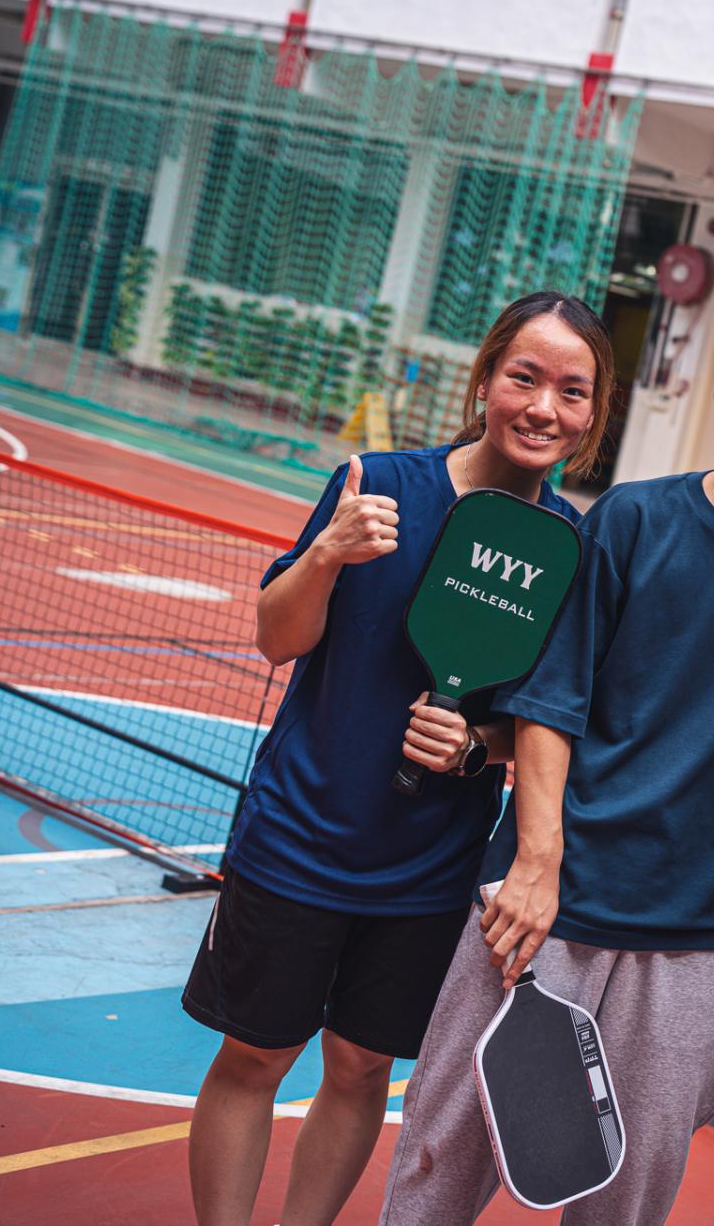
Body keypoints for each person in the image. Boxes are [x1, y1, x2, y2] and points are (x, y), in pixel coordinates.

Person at [380, 283, 714, 1226]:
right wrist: (536, 864)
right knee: (443, 1156)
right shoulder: (632, 521)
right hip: (546, 901)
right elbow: (550, 703)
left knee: (629, 1194)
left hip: (693, 926)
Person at [182, 291, 615, 1226]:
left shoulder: (569, 548)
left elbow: (541, 722)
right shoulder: (375, 484)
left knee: (361, 1065)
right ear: (485, 380)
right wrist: (327, 555)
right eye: (525, 378)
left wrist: (473, 746)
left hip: (427, 869)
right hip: (298, 837)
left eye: (572, 391)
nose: (544, 407)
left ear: (593, 412)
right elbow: (275, 639)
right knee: (255, 1055)